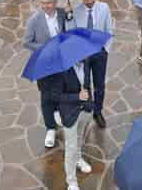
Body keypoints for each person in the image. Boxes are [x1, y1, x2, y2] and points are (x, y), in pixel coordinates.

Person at [23, 0, 71, 149]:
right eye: (43, 3)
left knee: (59, 90)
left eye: (49, 3)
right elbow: (27, 42)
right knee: (45, 96)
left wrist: (70, 15)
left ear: (55, 3)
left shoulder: (63, 14)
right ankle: (50, 128)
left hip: (60, 62)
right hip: (43, 63)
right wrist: (46, 47)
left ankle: (57, 111)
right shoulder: (34, 21)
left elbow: (70, 31)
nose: (46, 6)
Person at [74, 0, 113, 129]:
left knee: (100, 85)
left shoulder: (104, 8)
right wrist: (67, 14)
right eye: (86, 0)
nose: (89, 2)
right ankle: (88, 106)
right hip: (84, 54)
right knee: (85, 83)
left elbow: (109, 29)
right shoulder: (76, 11)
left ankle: (98, 112)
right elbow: (72, 31)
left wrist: (106, 50)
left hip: (100, 53)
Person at [58, 59, 92, 190]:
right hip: (70, 113)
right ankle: (71, 181)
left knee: (80, 138)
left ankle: (79, 159)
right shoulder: (61, 68)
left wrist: (88, 101)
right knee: (70, 147)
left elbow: (87, 84)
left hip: (84, 109)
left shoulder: (86, 62)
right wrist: (77, 96)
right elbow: (56, 96)